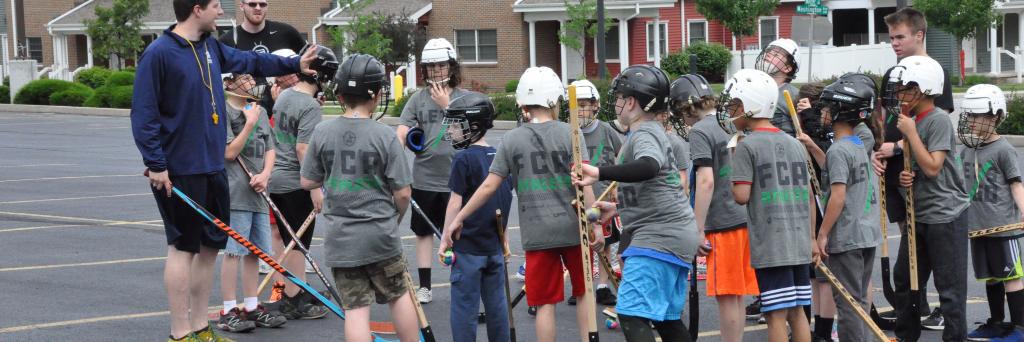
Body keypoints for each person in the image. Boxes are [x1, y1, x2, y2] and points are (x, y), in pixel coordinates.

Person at [131, 1, 317, 340]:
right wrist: (156, 164)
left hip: (213, 166)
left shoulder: (211, 47)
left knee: (209, 248)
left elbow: (252, 60)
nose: (221, 11)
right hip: (179, 171)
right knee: (183, 248)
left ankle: (202, 328)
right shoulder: (159, 54)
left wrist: (294, 63)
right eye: (216, 5)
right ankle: (180, 332)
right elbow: (143, 115)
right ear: (196, 8)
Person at [445, 66, 603, 342]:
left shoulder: (512, 139)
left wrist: (459, 217)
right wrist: (595, 223)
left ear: (522, 103)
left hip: (537, 233)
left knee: (544, 304)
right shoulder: (571, 133)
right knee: (583, 293)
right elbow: (584, 184)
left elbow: (489, 186)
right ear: (555, 100)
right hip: (573, 227)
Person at [576, 64, 704, 342]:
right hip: (673, 232)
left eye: (620, 97)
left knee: (631, 313)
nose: (617, 103)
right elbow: (661, 186)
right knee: (667, 321)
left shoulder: (645, 133)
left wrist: (599, 172)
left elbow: (649, 167)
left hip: (659, 236)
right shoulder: (651, 132)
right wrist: (618, 208)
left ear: (631, 101)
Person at [299, 53, 420, 342]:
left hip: (342, 238)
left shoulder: (322, 131)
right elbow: (402, 192)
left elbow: (307, 180)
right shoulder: (385, 135)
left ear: (339, 93)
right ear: (378, 94)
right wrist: (395, 217)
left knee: (355, 309)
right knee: (398, 295)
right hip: (381, 233)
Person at [872, 8, 955, 328]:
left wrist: (895, 147)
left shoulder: (935, 74)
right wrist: (877, 152)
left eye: (900, 36)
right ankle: (911, 306)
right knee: (907, 240)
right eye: (891, 37)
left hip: (917, 170)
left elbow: (934, 132)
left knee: (921, 239)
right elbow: (883, 120)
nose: (894, 43)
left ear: (919, 35)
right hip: (892, 169)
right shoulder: (894, 75)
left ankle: (930, 306)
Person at [722, 69, 819, 342]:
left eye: (735, 106)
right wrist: (812, 238)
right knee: (798, 311)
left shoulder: (747, 146)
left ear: (749, 106)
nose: (731, 112)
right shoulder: (794, 143)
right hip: (799, 239)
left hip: (772, 243)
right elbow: (809, 195)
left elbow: (741, 195)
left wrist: (733, 159)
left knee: (775, 313)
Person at [891, 55, 970, 342]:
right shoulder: (914, 120)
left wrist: (911, 134)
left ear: (923, 88)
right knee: (905, 279)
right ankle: (906, 336)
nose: (900, 94)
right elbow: (919, 170)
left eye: (905, 88)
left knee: (949, 289)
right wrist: (905, 177)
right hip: (919, 213)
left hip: (946, 215)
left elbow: (934, 167)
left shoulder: (936, 120)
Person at [436, 91, 514, 342]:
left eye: (457, 125)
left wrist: (445, 237)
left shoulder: (463, 158)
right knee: (497, 307)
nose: (451, 131)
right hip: (493, 246)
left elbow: (455, 203)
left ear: (475, 127)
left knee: (464, 309)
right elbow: (503, 199)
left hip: (468, 248)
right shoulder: (498, 156)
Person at [687, 74, 759, 342]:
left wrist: (697, 228)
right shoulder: (730, 121)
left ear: (688, 106)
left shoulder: (701, 130)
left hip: (723, 219)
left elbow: (705, 182)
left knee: (727, 296)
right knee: (737, 294)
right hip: (744, 214)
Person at [814, 76, 884, 342]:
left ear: (841, 111)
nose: (822, 113)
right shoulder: (856, 144)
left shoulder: (838, 150)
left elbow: (838, 196)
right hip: (867, 233)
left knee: (848, 303)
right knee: (859, 301)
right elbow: (837, 172)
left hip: (847, 237)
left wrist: (822, 234)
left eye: (827, 108)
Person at [397, 38, 466, 303]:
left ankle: (460, 281)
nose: (436, 71)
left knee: (458, 234)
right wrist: (396, 147)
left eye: (441, 65)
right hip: (425, 178)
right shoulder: (417, 99)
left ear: (451, 66)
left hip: (456, 182)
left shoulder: (462, 98)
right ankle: (425, 286)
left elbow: (464, 140)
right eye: (430, 66)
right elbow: (402, 130)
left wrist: (446, 106)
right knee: (423, 233)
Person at [217, 73, 287, 333]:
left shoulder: (258, 109)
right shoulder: (224, 111)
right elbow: (229, 152)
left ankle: (251, 305)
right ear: (228, 83)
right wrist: (248, 124)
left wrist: (266, 174)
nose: (251, 82)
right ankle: (227, 310)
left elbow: (270, 148)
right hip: (236, 194)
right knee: (235, 251)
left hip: (258, 193)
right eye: (244, 78)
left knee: (256, 252)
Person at [267, 46, 333, 320]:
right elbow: (303, 150)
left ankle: (293, 289)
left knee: (288, 239)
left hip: (276, 179)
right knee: (297, 242)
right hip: (296, 182)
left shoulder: (285, 96)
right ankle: (294, 299)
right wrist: (316, 187)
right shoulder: (309, 106)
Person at [957, 85, 1024, 341]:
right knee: (991, 276)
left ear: (995, 116)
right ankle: (996, 322)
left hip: (1002, 226)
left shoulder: (1003, 150)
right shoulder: (966, 150)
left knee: (1011, 276)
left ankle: (1019, 327)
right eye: (969, 116)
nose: (971, 122)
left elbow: (1016, 184)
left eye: (976, 116)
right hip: (976, 226)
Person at [572, 79, 623, 306]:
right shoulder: (569, 132)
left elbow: (622, 158)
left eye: (585, 104)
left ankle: (602, 285)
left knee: (606, 241)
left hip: (603, 197)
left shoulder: (607, 131)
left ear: (595, 105)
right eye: (576, 105)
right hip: (578, 198)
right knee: (582, 242)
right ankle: (581, 284)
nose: (581, 110)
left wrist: (617, 187)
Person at [219, 0, 305, 114]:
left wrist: (312, 95)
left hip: (287, 111)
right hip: (244, 116)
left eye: (262, 4)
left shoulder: (286, 33)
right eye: (252, 4)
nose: (258, 8)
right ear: (241, 6)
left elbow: (307, 64)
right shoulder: (227, 40)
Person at [755, 38, 801, 136]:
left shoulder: (795, 96)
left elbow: (802, 134)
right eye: (769, 52)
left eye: (776, 55)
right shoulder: (753, 90)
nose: (768, 55)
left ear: (787, 68)